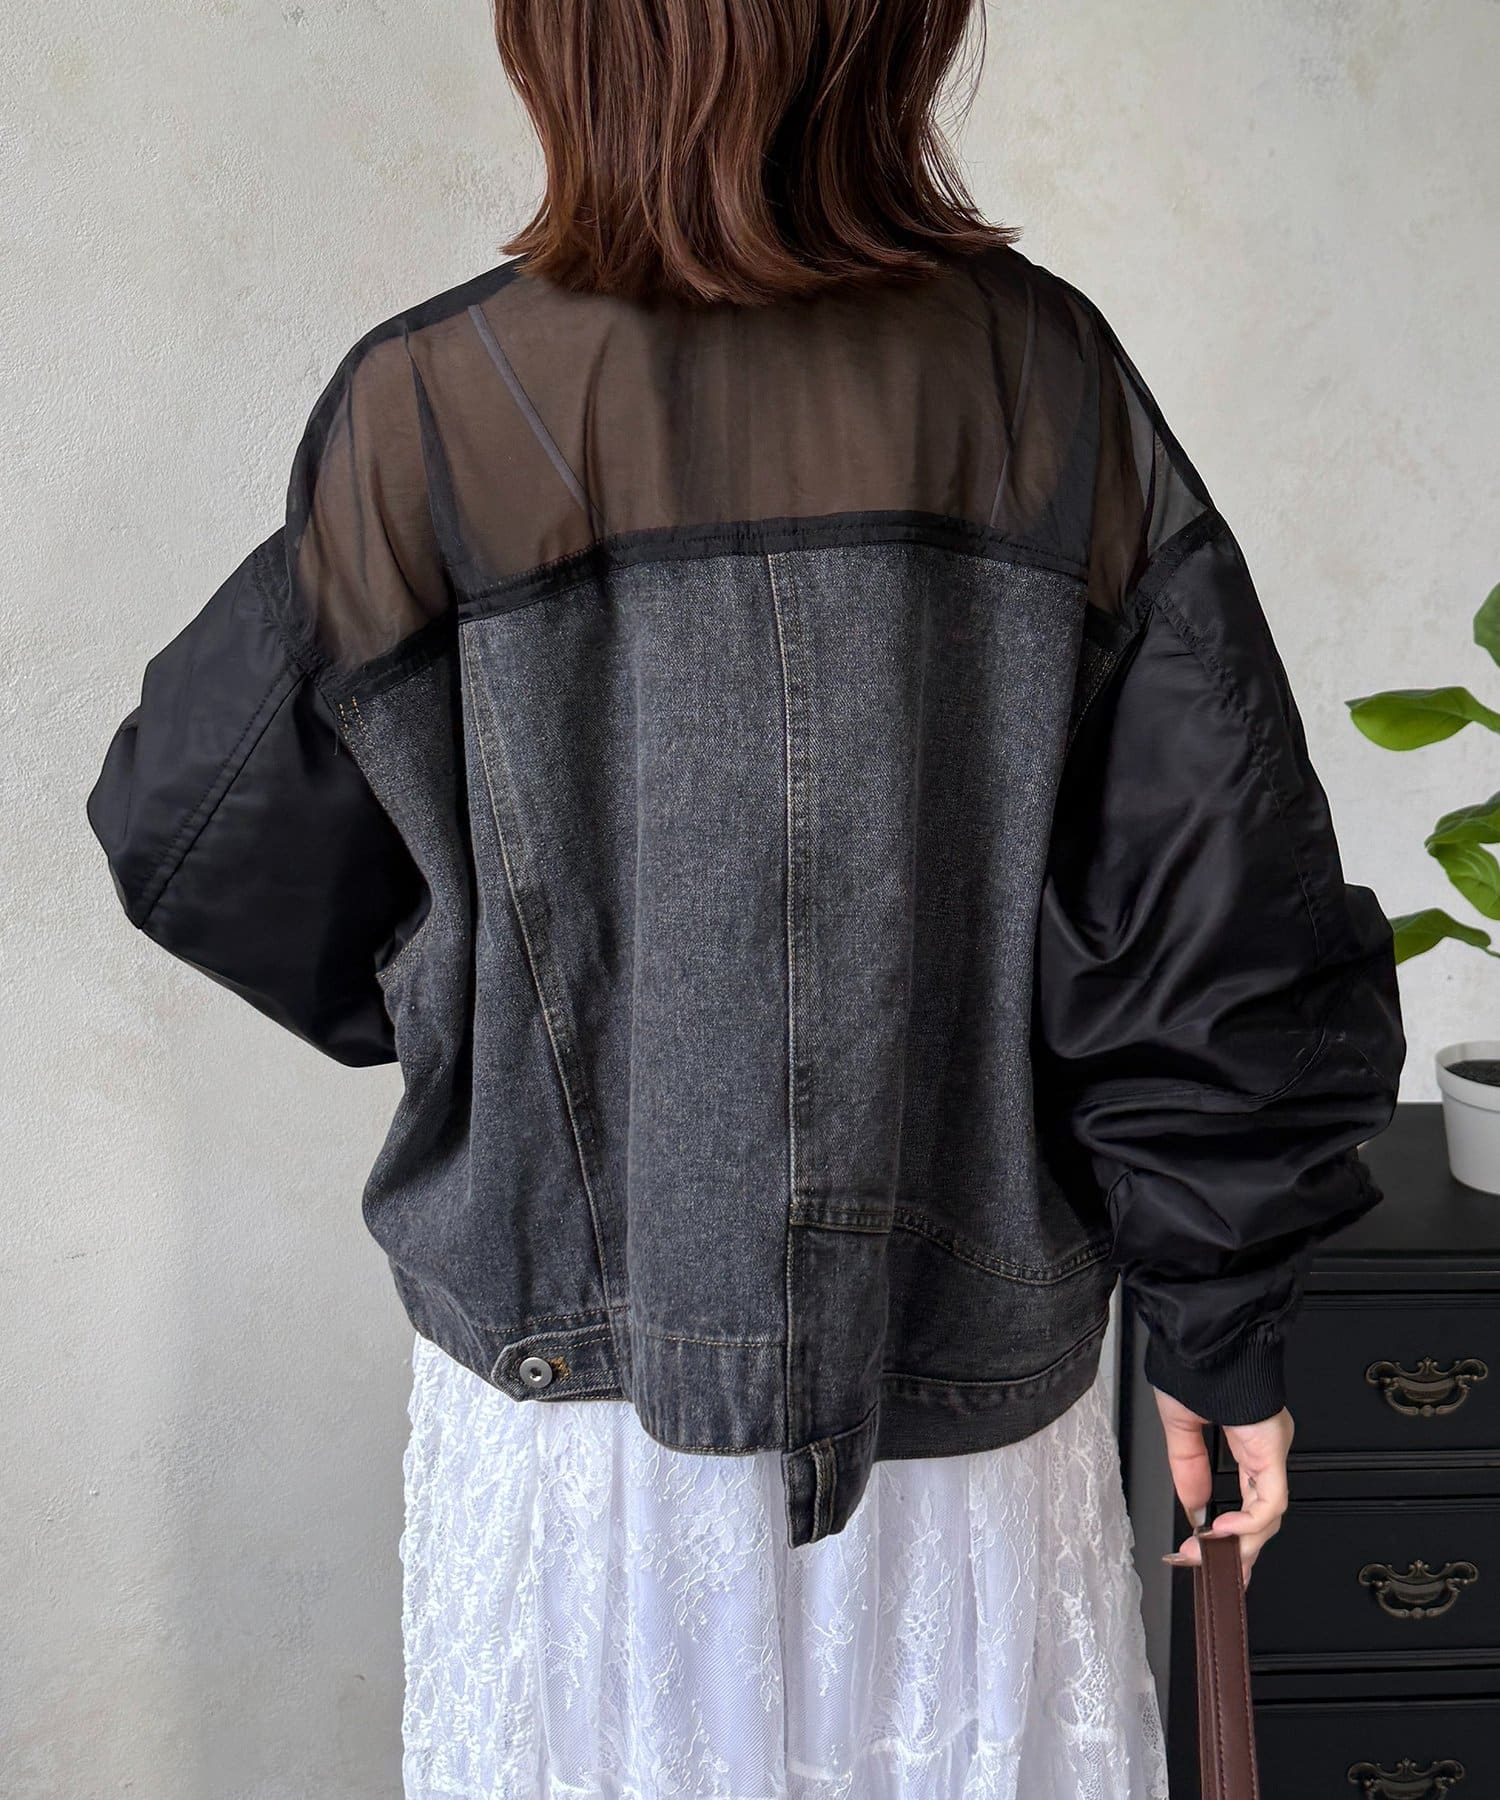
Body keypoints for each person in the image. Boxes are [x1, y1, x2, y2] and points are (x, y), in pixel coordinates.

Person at [86, 0, 1405, 1793]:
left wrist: (487, 1003)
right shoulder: (1046, 383)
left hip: (571, 1433)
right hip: (965, 1418)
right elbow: (1213, 922)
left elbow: (192, 829)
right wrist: (1221, 1331)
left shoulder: (433, 407)